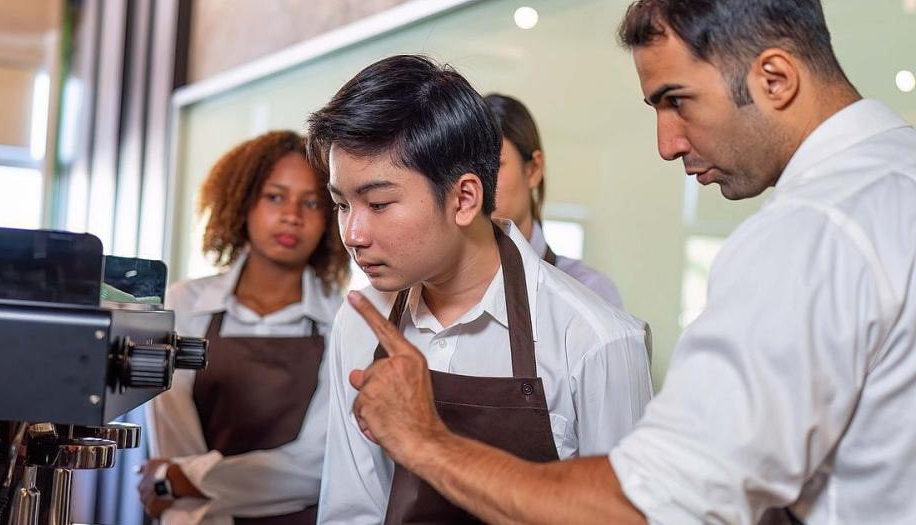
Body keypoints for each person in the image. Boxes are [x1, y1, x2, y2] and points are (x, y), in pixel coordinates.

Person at [342, 0, 916, 523]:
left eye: (677, 100)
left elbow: (651, 506)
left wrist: (424, 441)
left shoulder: (812, 232)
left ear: (775, 78)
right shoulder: (896, 179)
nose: (666, 143)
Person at [308, 54, 653, 524]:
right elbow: (352, 510)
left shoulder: (597, 338)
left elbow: (625, 516)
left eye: (379, 203)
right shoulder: (360, 319)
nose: (353, 233)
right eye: (342, 204)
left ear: (464, 198)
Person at [139, 131, 350, 524]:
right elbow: (175, 441)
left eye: (311, 203)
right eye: (275, 196)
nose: (292, 215)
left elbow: (318, 467)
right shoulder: (182, 304)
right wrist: (181, 481)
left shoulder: (342, 319)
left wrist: (182, 480)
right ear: (243, 202)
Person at [485, 93, 624, 308]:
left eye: (494, 165)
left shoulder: (588, 292)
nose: (478, 182)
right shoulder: (440, 292)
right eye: (467, 168)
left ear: (533, 170)